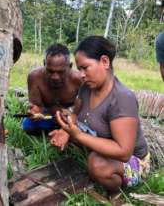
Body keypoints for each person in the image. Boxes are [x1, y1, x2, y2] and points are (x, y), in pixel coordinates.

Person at [50, 36, 150, 191]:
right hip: (102, 145)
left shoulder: (122, 98)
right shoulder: (86, 88)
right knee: (69, 139)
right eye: (79, 69)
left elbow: (124, 152)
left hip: (133, 161)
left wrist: (78, 136)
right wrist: (66, 131)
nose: (81, 74)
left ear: (104, 61)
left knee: (97, 164)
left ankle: (116, 192)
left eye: (85, 67)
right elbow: (75, 114)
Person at [22, 43, 81, 135]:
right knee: (28, 125)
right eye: (50, 71)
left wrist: (71, 112)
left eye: (60, 72)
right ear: (44, 64)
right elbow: (36, 106)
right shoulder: (34, 77)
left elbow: (86, 108)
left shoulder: (79, 79)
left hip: (71, 119)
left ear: (70, 66)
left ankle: (65, 134)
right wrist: (35, 111)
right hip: (48, 116)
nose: (55, 77)